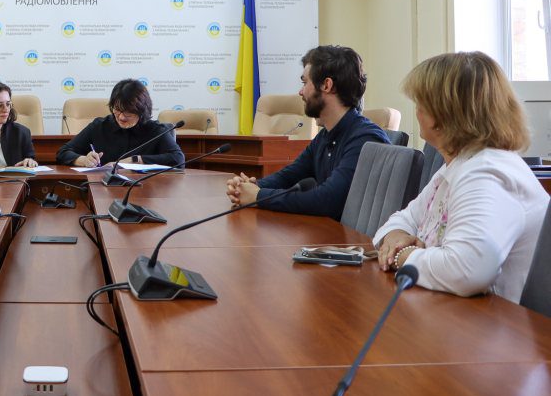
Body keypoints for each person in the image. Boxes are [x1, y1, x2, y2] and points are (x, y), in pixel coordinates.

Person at [374, 52, 547, 303]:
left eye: (421, 103)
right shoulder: (459, 165)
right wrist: (395, 236)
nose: (417, 111)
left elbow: (467, 271)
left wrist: (403, 255)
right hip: (465, 312)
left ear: (444, 113)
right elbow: (401, 220)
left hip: (502, 321)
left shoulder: (487, 172)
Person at [226, 45, 389, 219]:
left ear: (327, 85)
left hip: (351, 236)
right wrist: (250, 186)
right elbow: (290, 175)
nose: (300, 92)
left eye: (305, 83)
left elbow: (326, 200)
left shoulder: (365, 139)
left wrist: (258, 196)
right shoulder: (325, 135)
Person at [56, 79, 185, 167]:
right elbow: (63, 152)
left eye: (128, 112)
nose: (121, 117)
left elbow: (178, 159)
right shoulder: (99, 127)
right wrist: (84, 160)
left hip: (145, 191)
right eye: (117, 110)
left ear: (141, 111)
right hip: (102, 189)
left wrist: (135, 160)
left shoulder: (155, 130)